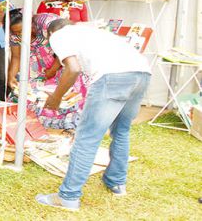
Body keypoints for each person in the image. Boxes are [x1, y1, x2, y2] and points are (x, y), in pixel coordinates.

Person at [35, 19, 151, 211]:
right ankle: (116, 182)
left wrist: (56, 98)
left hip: (112, 77)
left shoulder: (58, 34)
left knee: (86, 139)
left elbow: (73, 68)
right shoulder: (92, 31)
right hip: (142, 74)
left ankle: (68, 196)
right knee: (121, 131)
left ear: (50, 34)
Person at [7, 11, 86, 130]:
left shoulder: (47, 23)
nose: (22, 35)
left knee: (64, 92)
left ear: (31, 22)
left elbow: (65, 46)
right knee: (34, 93)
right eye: (18, 33)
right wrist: (11, 76)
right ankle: (38, 125)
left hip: (62, 60)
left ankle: (65, 124)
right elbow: (16, 57)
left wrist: (53, 69)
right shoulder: (13, 33)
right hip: (37, 64)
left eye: (24, 30)